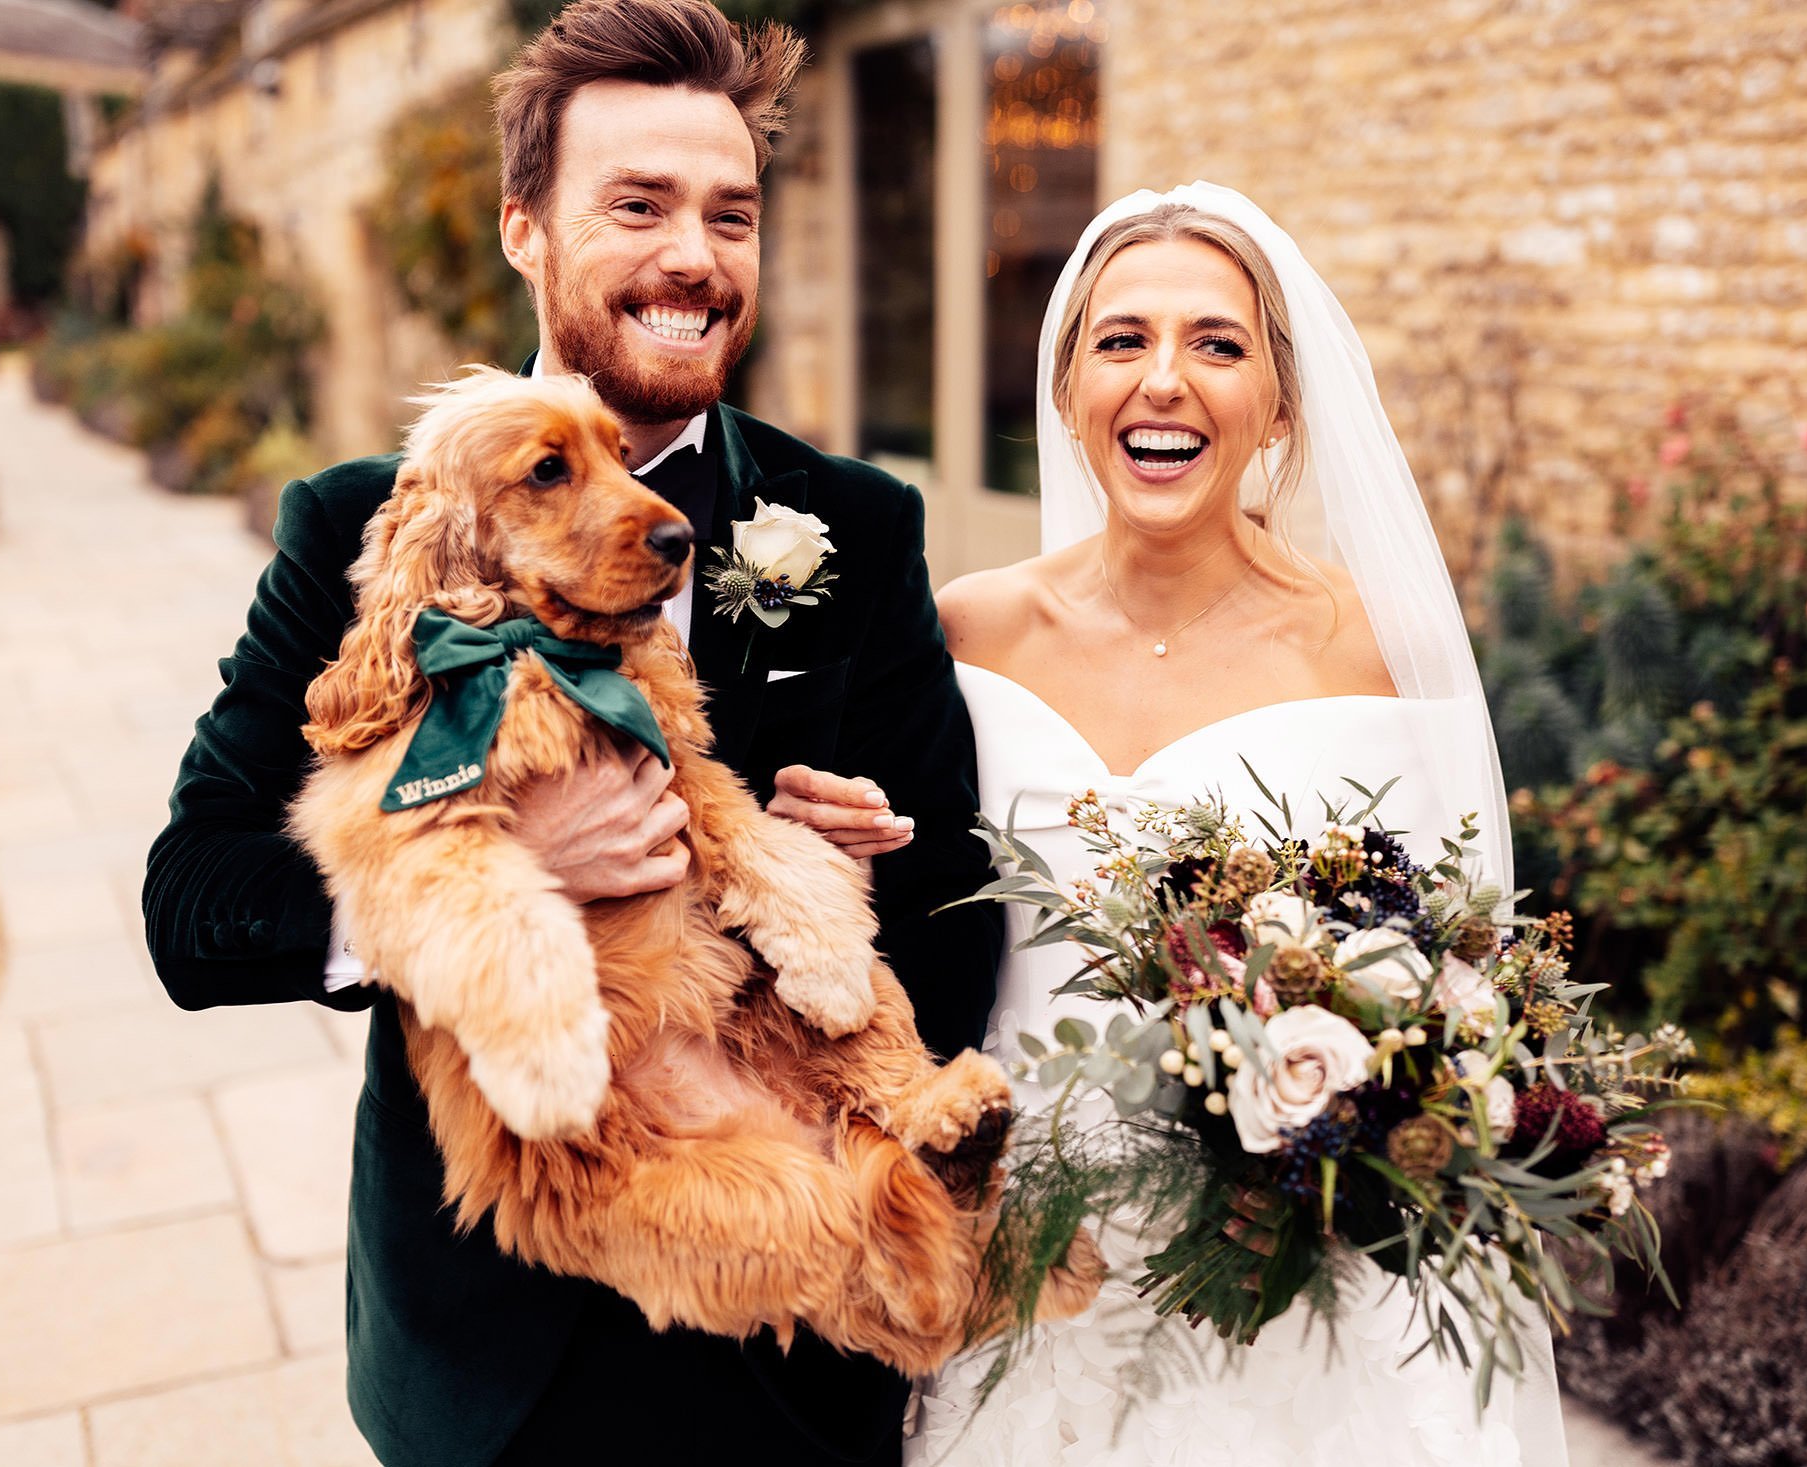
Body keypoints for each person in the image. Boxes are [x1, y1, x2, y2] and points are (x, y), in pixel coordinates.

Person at [139, 4, 1003, 1463]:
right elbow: (195, 902)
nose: (696, 256)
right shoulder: (360, 521)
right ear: (523, 229)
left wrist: (865, 864)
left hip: (802, 1328)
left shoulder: (853, 523)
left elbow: (961, 902)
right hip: (498, 1353)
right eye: (639, 204)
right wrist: (493, 874)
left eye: (731, 213)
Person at [904, 184, 1569, 1466]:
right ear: (1065, 392)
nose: (1164, 381)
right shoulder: (966, 630)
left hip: (1301, 1285)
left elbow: (1466, 986)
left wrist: (1351, 1151)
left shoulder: (1379, 649)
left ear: (1283, 400)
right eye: (1120, 341)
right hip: (1031, 1272)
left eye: (1217, 344)